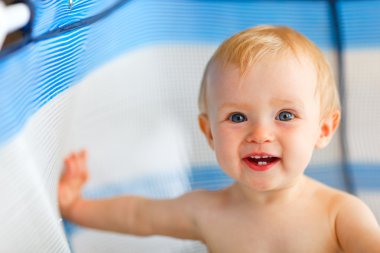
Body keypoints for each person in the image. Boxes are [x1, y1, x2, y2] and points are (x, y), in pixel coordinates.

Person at [58, 25, 380, 253]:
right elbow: (137, 215)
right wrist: (76, 206)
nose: (260, 135)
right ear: (209, 133)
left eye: (285, 115)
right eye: (237, 118)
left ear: (323, 130)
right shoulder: (207, 212)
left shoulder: (340, 214)